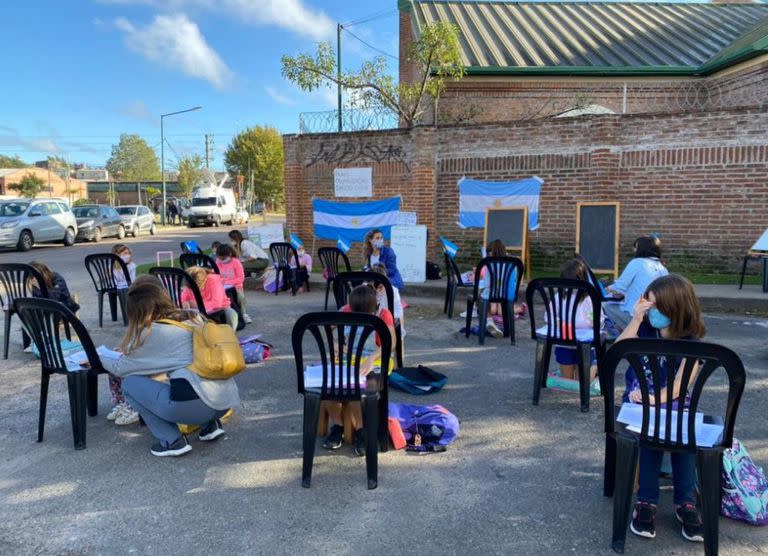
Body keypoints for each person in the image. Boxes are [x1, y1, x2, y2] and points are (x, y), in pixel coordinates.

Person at [99, 280, 240, 457]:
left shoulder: (153, 331)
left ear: (137, 311)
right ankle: (210, 426)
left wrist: (97, 355)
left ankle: (171, 441)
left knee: (130, 384)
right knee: (188, 375)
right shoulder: (193, 316)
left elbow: (121, 368)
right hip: (224, 401)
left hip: (197, 406)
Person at [616, 274, 706, 543]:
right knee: (650, 438)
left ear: (675, 309)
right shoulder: (644, 330)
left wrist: (655, 400)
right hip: (637, 407)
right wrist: (635, 318)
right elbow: (618, 352)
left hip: (673, 408)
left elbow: (681, 385)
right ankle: (646, 500)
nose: (651, 312)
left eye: (656, 307)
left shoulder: (691, 343)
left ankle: (685, 503)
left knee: (683, 438)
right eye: (648, 305)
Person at [323, 285, 396, 456]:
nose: (357, 316)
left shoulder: (383, 314)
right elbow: (327, 326)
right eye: (354, 312)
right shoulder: (347, 310)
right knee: (329, 386)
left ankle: (361, 430)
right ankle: (338, 426)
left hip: (374, 359)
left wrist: (372, 358)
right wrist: (335, 344)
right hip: (350, 359)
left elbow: (391, 342)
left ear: (373, 308)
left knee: (358, 388)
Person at [546, 258, 603, 391]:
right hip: (573, 343)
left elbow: (598, 320)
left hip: (576, 343)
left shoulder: (588, 299)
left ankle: (594, 367)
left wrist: (563, 323)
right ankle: (593, 368)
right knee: (572, 383)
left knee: (579, 383)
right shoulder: (562, 297)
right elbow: (549, 316)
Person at [605, 236, 668, 332]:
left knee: (606, 306)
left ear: (642, 249)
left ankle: (629, 334)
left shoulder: (637, 262)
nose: (634, 250)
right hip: (657, 319)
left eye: (636, 247)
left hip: (638, 317)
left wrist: (607, 288)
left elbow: (619, 287)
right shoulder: (663, 269)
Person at [24, 262, 80, 352]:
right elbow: (37, 300)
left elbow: (54, 299)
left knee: (49, 313)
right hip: (46, 310)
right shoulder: (34, 282)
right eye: (30, 277)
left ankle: (51, 342)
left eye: (33, 276)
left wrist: (39, 286)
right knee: (24, 313)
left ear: (41, 273)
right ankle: (37, 341)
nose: (32, 279)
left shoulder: (57, 278)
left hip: (65, 308)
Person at [181, 266, 239, 331]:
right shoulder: (189, 285)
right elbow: (182, 300)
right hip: (199, 313)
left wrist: (197, 305)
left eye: (197, 287)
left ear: (205, 280)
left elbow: (217, 303)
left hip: (220, 310)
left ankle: (229, 335)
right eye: (191, 289)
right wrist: (184, 304)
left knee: (232, 314)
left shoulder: (213, 280)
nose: (193, 290)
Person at [216, 243, 251, 324]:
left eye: (223, 258)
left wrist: (227, 282)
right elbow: (216, 274)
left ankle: (244, 314)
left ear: (229, 255)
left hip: (236, 286)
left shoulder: (236, 262)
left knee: (240, 297)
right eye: (219, 257)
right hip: (222, 286)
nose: (221, 260)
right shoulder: (218, 262)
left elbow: (241, 278)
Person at [370, 262, 405, 336]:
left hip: (387, 326)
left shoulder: (393, 291)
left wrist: (398, 334)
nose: (377, 291)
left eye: (380, 287)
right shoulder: (366, 291)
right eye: (374, 287)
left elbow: (398, 313)